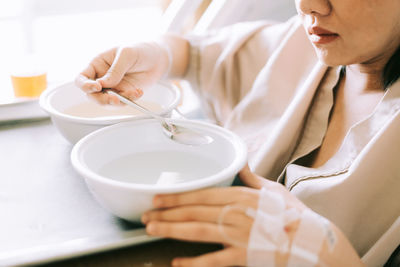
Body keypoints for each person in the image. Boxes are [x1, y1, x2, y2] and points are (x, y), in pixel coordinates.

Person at [75, 0, 400, 266]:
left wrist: (329, 258)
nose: (308, 6)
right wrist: (158, 54)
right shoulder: (306, 42)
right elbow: (198, 53)